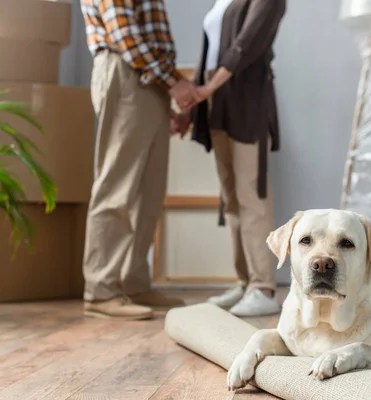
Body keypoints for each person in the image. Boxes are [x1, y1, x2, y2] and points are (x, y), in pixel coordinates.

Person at [80, 0, 201, 321]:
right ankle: (101, 289)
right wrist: (174, 82)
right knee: (116, 186)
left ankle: (133, 282)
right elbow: (124, 33)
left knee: (149, 191)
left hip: (147, 79)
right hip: (125, 71)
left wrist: (166, 93)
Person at [172, 0, 287, 317]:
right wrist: (193, 109)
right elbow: (206, 55)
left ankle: (263, 287)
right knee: (231, 196)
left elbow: (245, 45)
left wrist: (206, 89)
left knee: (252, 192)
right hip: (215, 99)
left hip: (246, 98)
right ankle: (245, 282)